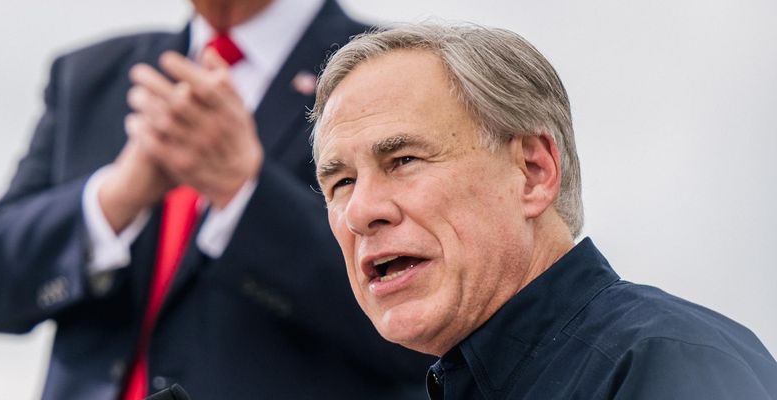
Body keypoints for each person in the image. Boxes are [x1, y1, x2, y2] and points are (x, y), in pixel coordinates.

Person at [0, 1, 433, 399]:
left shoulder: (398, 73)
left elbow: (432, 316)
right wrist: (117, 197)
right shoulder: (90, 76)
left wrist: (243, 193)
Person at [309, 22, 777, 399]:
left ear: (533, 173)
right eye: (342, 181)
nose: (360, 211)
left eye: (404, 160)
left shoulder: (670, 365)